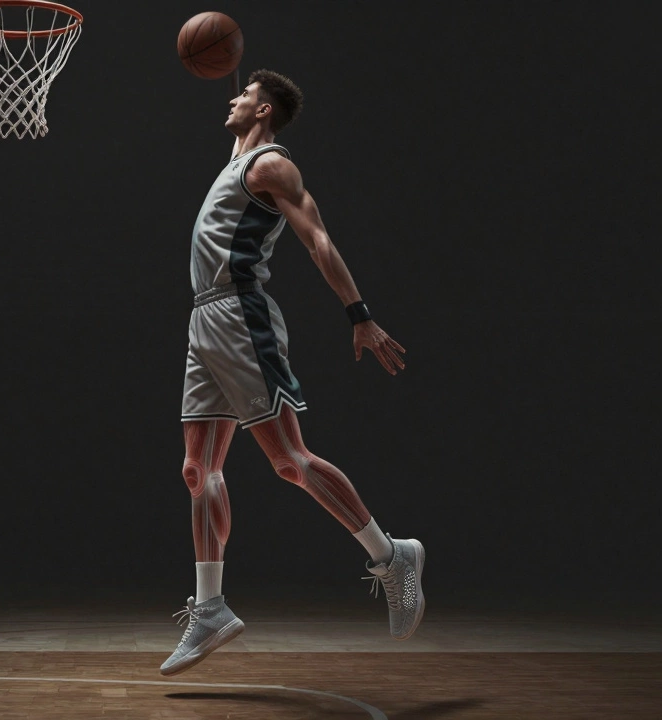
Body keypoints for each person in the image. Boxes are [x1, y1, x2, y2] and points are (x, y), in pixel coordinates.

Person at [161, 70, 425, 676]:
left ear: (264, 109)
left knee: (288, 460)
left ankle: (393, 556)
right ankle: (211, 609)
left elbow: (319, 241)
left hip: (241, 316)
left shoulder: (272, 164)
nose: (232, 98)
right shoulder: (230, 167)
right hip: (204, 324)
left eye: (244, 94)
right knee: (199, 470)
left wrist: (360, 315)